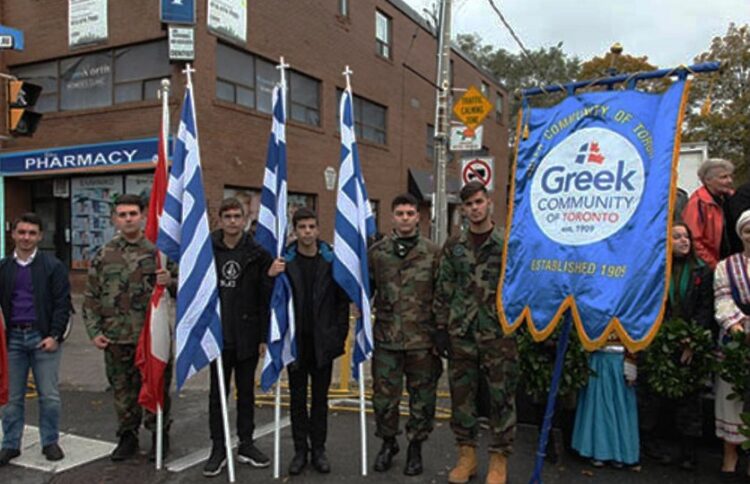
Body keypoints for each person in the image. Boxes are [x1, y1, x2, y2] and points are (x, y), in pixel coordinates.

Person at [434, 181, 518, 484]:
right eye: (468, 205)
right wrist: (441, 328)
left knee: (501, 396)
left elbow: (519, 287)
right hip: (462, 332)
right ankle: (466, 456)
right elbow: (443, 288)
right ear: (463, 209)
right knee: (462, 396)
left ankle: (499, 459)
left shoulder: (507, 243)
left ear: (489, 202)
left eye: (478, 202)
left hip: (499, 333)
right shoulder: (454, 246)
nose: (474, 208)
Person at [83, 194, 174, 462]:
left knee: (156, 386)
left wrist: (171, 280)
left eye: (132, 213)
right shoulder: (104, 254)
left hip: (153, 337)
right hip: (116, 337)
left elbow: (185, 289)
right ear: (114, 219)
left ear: (143, 215)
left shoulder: (160, 253)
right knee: (123, 391)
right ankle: (127, 437)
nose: (128, 219)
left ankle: (160, 435)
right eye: (122, 215)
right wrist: (93, 330)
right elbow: (91, 296)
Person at [268, 207, 349, 476]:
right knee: (297, 400)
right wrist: (271, 276)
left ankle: (319, 450)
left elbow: (341, 302)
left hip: (322, 343)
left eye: (311, 227)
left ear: (318, 228)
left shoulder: (330, 260)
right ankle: (300, 450)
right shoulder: (285, 262)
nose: (307, 232)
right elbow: (273, 300)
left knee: (320, 400)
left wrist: (338, 335)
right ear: (295, 230)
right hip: (296, 345)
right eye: (302, 227)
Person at [368, 194, 442, 476]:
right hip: (387, 339)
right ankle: (388, 443)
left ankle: (415, 447)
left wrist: (440, 334)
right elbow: (366, 291)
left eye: (410, 213)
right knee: (384, 398)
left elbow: (442, 295)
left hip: (422, 341)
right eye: (400, 213)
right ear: (392, 217)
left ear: (418, 217)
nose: (406, 218)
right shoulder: (377, 253)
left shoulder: (433, 253)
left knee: (422, 398)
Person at [203, 197, 273, 477]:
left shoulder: (258, 253)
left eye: (237, 216)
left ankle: (246, 443)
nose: (232, 221)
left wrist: (264, 336)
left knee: (246, 394)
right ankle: (218, 448)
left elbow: (266, 297)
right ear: (220, 220)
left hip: (247, 335)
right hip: (216, 335)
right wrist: (168, 283)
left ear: (245, 220)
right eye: (227, 216)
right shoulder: (205, 250)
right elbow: (188, 287)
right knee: (217, 396)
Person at [638, 222, 713, 470]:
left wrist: (691, 340)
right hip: (659, 342)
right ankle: (652, 446)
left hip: (689, 343)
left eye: (686, 237)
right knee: (653, 397)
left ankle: (689, 452)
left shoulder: (701, 271)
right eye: (677, 236)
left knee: (689, 400)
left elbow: (705, 310)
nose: (684, 241)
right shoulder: (656, 270)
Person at [0, 213, 71, 466]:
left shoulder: (53, 266)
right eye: (22, 232)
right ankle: (10, 444)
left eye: (31, 233)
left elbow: (63, 306)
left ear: (40, 236)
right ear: (13, 234)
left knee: (49, 396)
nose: (26, 237)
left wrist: (54, 336)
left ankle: (50, 441)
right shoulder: (3, 268)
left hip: (43, 339)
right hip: (12, 341)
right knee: (10, 397)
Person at [713, 209, 750, 480]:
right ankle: (730, 454)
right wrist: (736, 327)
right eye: (748, 230)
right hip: (736, 337)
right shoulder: (726, 266)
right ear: (741, 235)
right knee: (731, 396)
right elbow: (723, 299)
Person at [571, 336, 640, 469]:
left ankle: (620, 453)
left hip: (620, 360)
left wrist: (632, 363)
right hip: (598, 359)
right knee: (599, 406)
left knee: (619, 405)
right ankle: (598, 451)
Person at [682, 158, 735, 269]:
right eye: (724, 177)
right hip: (712, 267)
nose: (730, 181)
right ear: (707, 180)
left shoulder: (733, 198)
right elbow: (694, 241)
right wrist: (715, 266)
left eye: (730, 176)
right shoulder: (697, 204)